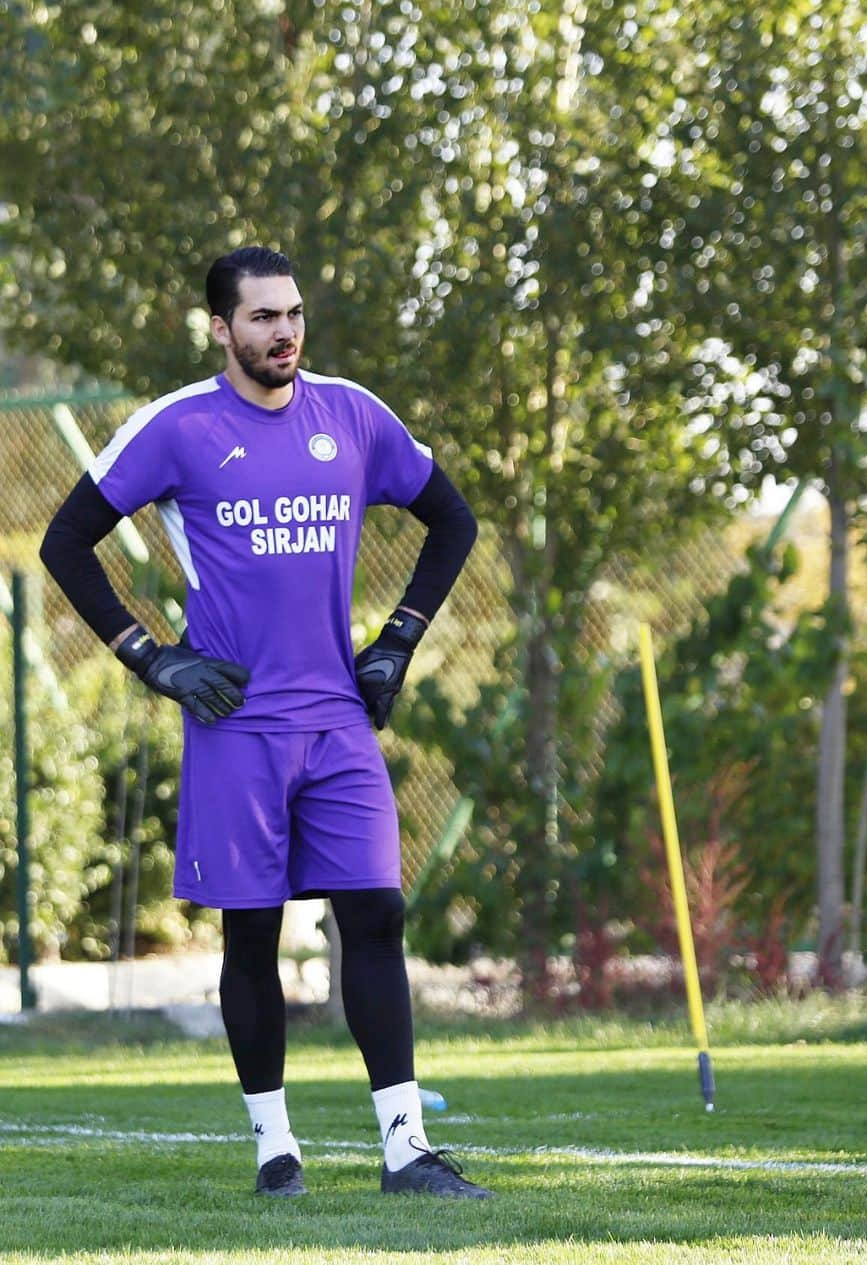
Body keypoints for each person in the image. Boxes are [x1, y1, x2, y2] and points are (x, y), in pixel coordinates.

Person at [40, 245, 490, 1200]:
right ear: (220, 328)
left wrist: (398, 640)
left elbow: (452, 518)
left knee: (375, 913)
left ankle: (407, 1152)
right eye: (260, 318)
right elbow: (65, 540)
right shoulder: (178, 427)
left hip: (338, 718)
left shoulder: (353, 414)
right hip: (236, 723)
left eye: (291, 314)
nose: (282, 332)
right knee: (251, 936)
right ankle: (275, 1151)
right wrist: (149, 653)